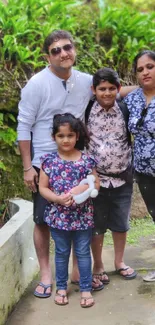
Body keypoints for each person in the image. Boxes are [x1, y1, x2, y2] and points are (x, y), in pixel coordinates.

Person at [17, 29, 137, 297]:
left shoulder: (84, 81)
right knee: (43, 220)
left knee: (78, 217)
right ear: (47, 56)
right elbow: (23, 127)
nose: (63, 53)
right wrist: (28, 168)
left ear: (74, 49)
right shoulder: (36, 85)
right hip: (44, 163)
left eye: (67, 47)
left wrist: (145, 87)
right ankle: (47, 275)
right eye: (56, 50)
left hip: (79, 164)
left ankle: (76, 272)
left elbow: (112, 91)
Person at [39, 113, 100, 307]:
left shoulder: (87, 161)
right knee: (62, 252)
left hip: (83, 217)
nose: (66, 140)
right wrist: (57, 198)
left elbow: (95, 184)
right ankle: (62, 288)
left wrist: (86, 189)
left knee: (82, 252)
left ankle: (85, 289)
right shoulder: (48, 161)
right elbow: (42, 188)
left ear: (77, 136)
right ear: (53, 137)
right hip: (58, 218)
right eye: (61, 136)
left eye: (70, 135)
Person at [86, 67, 137, 283]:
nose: (106, 93)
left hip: (123, 178)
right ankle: (98, 264)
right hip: (96, 180)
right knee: (96, 224)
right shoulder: (87, 110)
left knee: (121, 222)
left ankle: (119, 261)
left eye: (111, 89)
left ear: (118, 89)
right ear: (93, 90)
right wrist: (91, 174)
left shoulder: (125, 109)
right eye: (102, 89)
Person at [124, 50, 155, 282]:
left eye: (150, 66)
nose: (145, 72)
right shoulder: (133, 98)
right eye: (140, 69)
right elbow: (111, 91)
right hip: (143, 171)